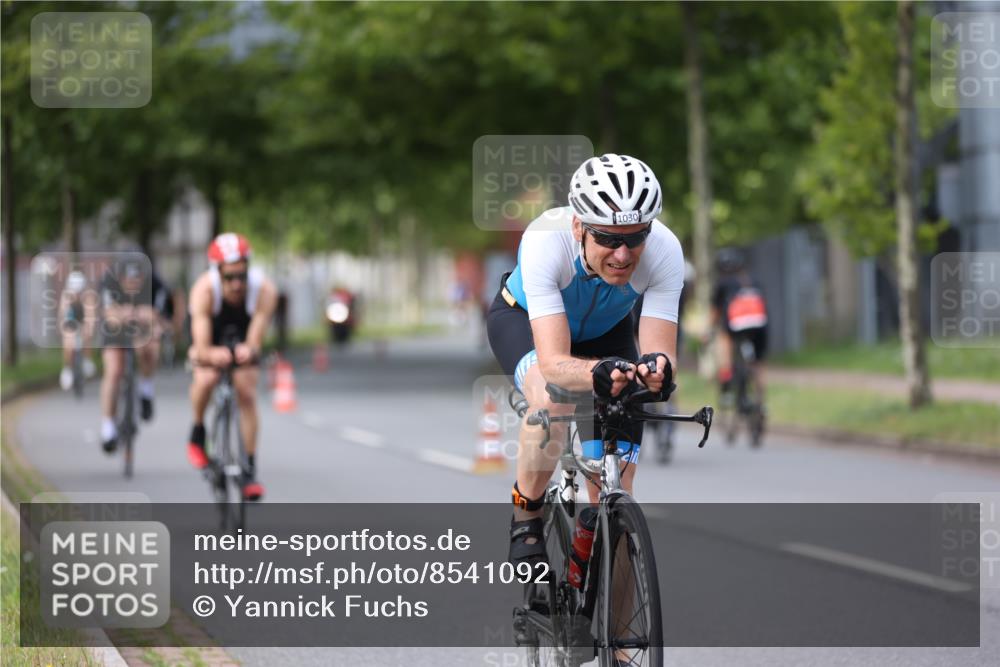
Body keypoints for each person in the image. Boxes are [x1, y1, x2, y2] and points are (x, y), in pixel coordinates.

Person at [486, 153, 683, 566]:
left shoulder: (665, 250)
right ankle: (527, 513)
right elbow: (557, 362)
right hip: (524, 320)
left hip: (607, 331)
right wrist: (597, 371)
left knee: (617, 496)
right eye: (609, 239)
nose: (624, 254)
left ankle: (620, 625)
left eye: (635, 237)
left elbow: (660, 352)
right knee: (552, 395)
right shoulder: (545, 240)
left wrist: (657, 372)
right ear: (578, 226)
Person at [186, 233, 277, 501]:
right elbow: (201, 346)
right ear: (218, 273)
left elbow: (256, 337)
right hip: (210, 335)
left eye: (241, 276)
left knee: (246, 391)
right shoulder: (203, 290)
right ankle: (198, 430)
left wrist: (249, 349)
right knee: (206, 378)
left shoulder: (264, 290)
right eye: (229, 278)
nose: (237, 284)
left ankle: (249, 469)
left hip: (243, 331)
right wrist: (210, 355)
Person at [98, 258, 166, 453]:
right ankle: (108, 426)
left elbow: (157, 316)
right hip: (115, 330)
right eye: (129, 279)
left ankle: (146, 390)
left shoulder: (155, 284)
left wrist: (147, 319)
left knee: (151, 346)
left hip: (142, 328)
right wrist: (127, 314)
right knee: (114, 371)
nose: (133, 283)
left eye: (138, 278)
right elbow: (110, 317)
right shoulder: (108, 284)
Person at [710, 248, 768, 410]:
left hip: (736, 325)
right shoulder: (754, 280)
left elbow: (715, 313)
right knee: (758, 363)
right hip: (760, 324)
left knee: (724, 339)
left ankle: (727, 381)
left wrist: (708, 332)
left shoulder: (723, 283)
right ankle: (761, 403)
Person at [59, 269, 97, 391]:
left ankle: (87, 359)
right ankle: (67, 368)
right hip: (70, 322)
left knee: (87, 334)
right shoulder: (66, 297)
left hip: (83, 321)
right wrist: (64, 330)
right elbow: (62, 316)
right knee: (68, 343)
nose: (77, 294)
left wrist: (88, 328)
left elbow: (91, 315)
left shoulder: (88, 296)